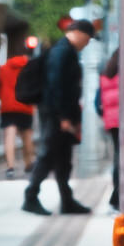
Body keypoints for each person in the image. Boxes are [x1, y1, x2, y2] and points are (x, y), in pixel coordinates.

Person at [23, 19, 95, 216]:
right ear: (79, 33)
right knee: (48, 155)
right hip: (56, 114)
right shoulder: (62, 51)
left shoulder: (65, 50)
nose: (86, 44)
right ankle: (30, 197)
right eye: (87, 40)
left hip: (60, 113)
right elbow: (56, 85)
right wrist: (63, 117)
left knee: (63, 158)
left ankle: (67, 200)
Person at [0, 48, 37, 179]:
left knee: (9, 136)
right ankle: (28, 164)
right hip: (25, 105)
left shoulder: (3, 69)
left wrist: (1, 98)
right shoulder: (30, 68)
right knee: (27, 136)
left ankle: (10, 167)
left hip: (8, 106)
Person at [97, 50, 120, 210]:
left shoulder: (106, 74)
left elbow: (97, 102)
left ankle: (116, 196)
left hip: (112, 123)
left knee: (118, 159)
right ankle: (117, 197)